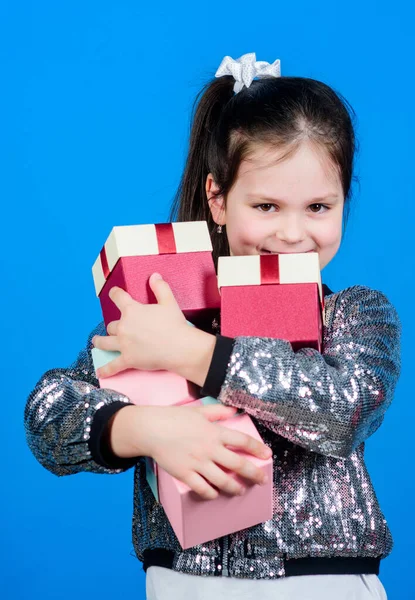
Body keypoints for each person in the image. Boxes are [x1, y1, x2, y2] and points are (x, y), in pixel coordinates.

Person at [24, 53, 401, 600]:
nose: (294, 233)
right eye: (267, 206)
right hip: (183, 583)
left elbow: (344, 410)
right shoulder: (164, 312)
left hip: (325, 585)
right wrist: (143, 429)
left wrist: (193, 353)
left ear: (346, 199)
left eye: (319, 206)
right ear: (218, 200)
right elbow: (47, 414)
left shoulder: (354, 313)